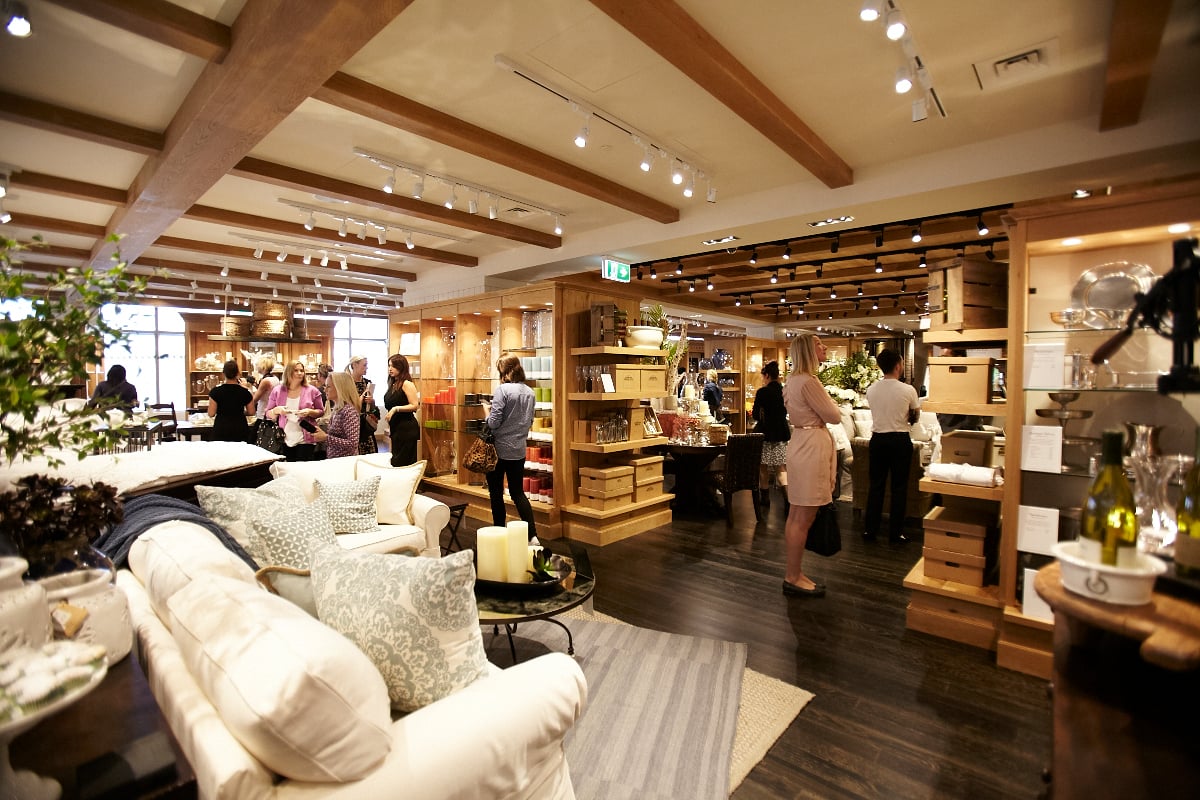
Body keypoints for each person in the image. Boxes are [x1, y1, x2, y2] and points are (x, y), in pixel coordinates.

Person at [781, 332, 842, 598]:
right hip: (811, 448)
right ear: (808, 350)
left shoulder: (793, 380)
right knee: (802, 517)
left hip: (801, 444)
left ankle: (794, 573)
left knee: (797, 514)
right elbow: (834, 415)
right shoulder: (808, 381)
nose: (824, 347)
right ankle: (793, 576)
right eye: (818, 344)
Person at [864, 348, 921, 544]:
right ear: (898, 366)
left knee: (876, 486)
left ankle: (870, 530)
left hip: (878, 440)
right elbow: (915, 415)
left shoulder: (871, 389)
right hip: (900, 440)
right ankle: (896, 533)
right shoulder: (908, 390)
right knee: (899, 488)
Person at [481, 353, 537, 542]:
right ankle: (532, 535)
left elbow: (494, 423)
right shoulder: (530, 392)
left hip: (497, 450)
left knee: (496, 493)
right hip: (518, 449)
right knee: (517, 492)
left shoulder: (502, 390)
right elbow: (530, 421)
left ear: (503, 371)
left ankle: (499, 534)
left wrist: (486, 411)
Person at [265, 360, 324, 462]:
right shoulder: (277, 390)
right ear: (288, 372)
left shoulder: (312, 390)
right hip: (284, 438)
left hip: (306, 438)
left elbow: (321, 411)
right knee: (288, 468)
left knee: (303, 467)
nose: (300, 373)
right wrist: (276, 410)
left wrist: (309, 411)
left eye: (301, 370)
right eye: (296, 370)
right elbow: (268, 413)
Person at [751, 360, 790, 509]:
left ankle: (765, 499)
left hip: (765, 434)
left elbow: (755, 415)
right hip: (781, 433)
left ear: (767, 375)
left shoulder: (762, 392)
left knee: (763, 467)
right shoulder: (784, 390)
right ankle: (788, 500)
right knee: (781, 468)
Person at [312, 371, 361, 460]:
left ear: (340, 388)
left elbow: (352, 444)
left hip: (345, 461)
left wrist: (325, 438)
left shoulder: (349, 411)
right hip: (336, 460)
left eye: (328, 386)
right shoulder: (338, 409)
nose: (325, 390)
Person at [383, 354, 420, 467]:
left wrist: (396, 409)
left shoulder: (407, 384)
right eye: (389, 366)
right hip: (396, 429)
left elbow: (415, 405)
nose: (390, 369)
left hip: (407, 428)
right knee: (396, 462)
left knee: (404, 463)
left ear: (401, 367)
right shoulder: (393, 384)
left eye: (393, 366)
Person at [206, 360, 254, 442]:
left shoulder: (215, 392)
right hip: (240, 427)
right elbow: (251, 412)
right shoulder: (245, 392)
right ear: (237, 373)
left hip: (221, 427)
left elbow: (211, 413)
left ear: (223, 374)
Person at [346, 355, 379, 455]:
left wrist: (371, 401)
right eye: (364, 365)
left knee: (370, 455)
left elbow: (372, 408)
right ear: (354, 365)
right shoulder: (347, 383)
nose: (366, 368)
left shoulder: (368, 383)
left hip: (366, 426)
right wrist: (360, 399)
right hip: (352, 424)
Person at [247, 356, 279, 437]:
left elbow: (255, 399)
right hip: (271, 413)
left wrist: (248, 388)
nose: (256, 367)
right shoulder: (275, 378)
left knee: (253, 439)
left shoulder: (265, 381)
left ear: (263, 366)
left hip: (263, 414)